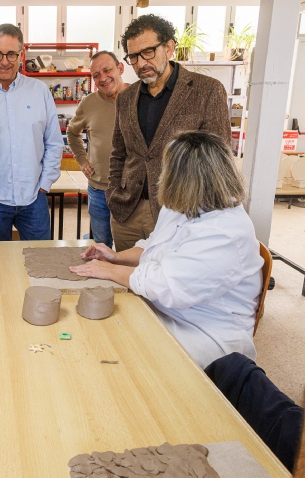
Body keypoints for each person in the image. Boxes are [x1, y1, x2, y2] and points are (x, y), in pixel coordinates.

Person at [70, 131, 262, 369]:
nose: (162, 176)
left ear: (187, 178)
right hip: (168, 312)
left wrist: (109, 270)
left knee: (114, 351)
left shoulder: (225, 233)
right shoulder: (184, 206)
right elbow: (154, 246)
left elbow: (166, 285)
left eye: (168, 170)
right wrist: (117, 258)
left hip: (204, 334)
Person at [107, 14, 231, 251]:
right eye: (133, 56)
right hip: (127, 212)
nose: (141, 63)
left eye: (148, 52)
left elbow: (218, 162)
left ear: (169, 47)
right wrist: (114, 193)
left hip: (179, 214)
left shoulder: (207, 91)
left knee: (165, 284)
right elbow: (118, 153)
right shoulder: (125, 98)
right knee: (123, 280)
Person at [0, 24, 63, 241]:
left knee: (39, 260)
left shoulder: (39, 91)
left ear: (21, 54)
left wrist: (44, 185)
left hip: (34, 198)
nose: (4, 61)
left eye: (11, 54)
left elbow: (53, 143)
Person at [66, 51, 128, 249]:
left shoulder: (138, 97)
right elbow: (72, 132)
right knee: (101, 244)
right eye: (96, 75)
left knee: (130, 246)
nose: (102, 78)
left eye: (107, 70)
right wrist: (82, 161)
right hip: (99, 189)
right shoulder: (89, 103)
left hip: (131, 192)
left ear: (120, 68)